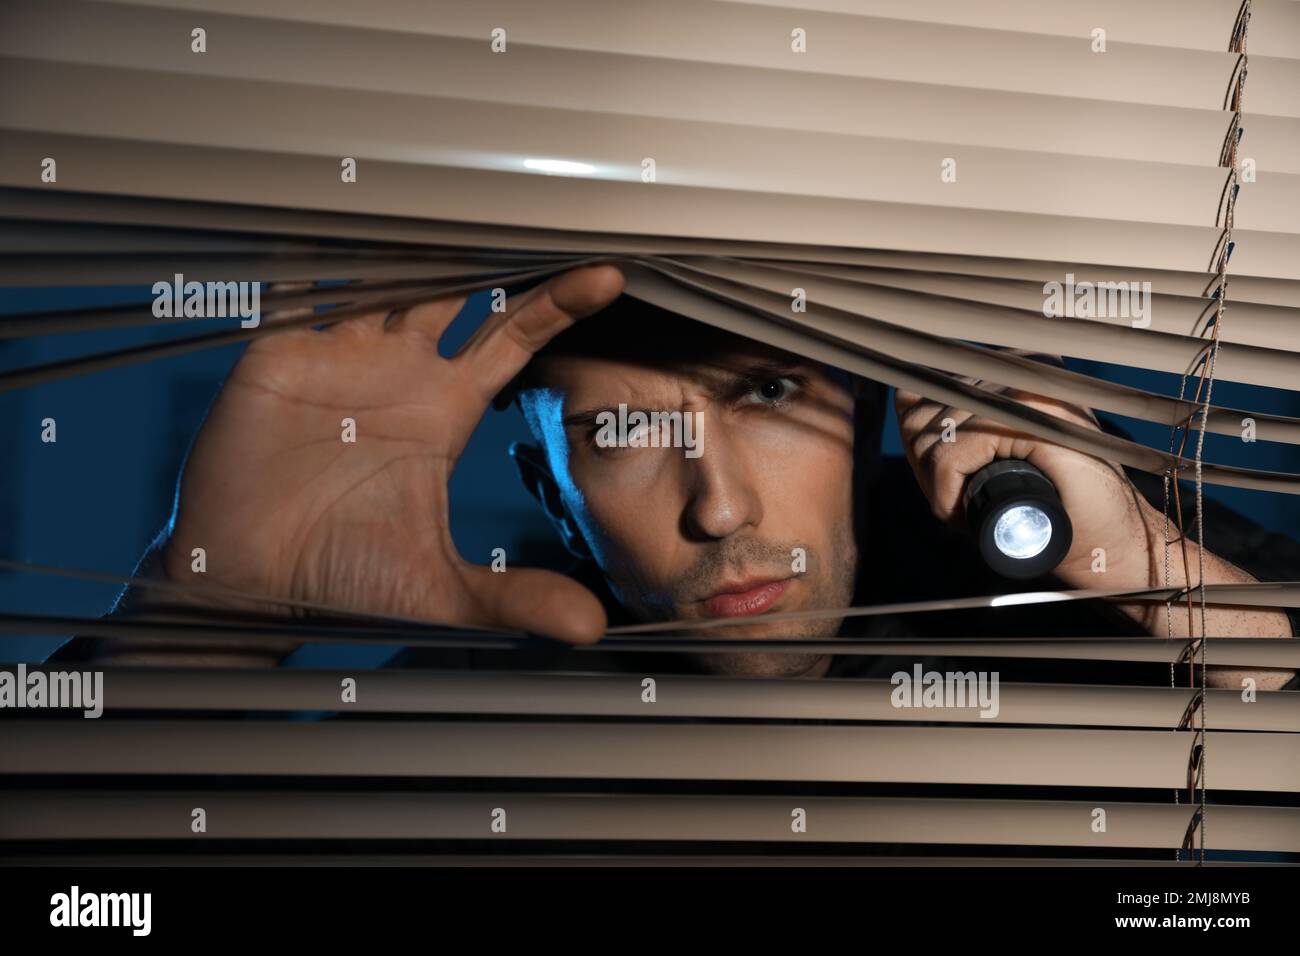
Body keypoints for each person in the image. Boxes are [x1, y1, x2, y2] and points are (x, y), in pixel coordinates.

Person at [51, 265, 1298, 688]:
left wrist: (1147, 566)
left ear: (868, 404)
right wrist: (203, 621)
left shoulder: (1087, 570)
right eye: (619, 433)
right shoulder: (469, 716)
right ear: (547, 487)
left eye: (762, 395)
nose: (720, 505)